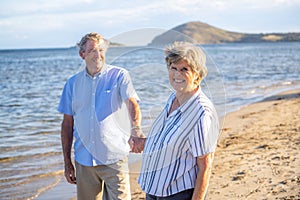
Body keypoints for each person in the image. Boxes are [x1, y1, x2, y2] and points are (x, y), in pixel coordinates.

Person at [58, 32, 145, 200]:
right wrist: (67, 162)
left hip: (114, 158)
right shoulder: (72, 84)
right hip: (84, 162)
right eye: (91, 50)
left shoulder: (119, 76)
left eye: (100, 49)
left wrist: (136, 130)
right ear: (82, 54)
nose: (97, 54)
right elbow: (67, 125)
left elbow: (132, 104)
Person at [138, 42, 219, 200]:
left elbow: (205, 164)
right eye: (173, 68)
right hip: (154, 190)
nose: (177, 74)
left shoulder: (201, 112)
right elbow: (172, 143)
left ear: (197, 74)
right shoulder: (173, 97)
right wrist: (144, 142)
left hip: (177, 194)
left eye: (184, 69)